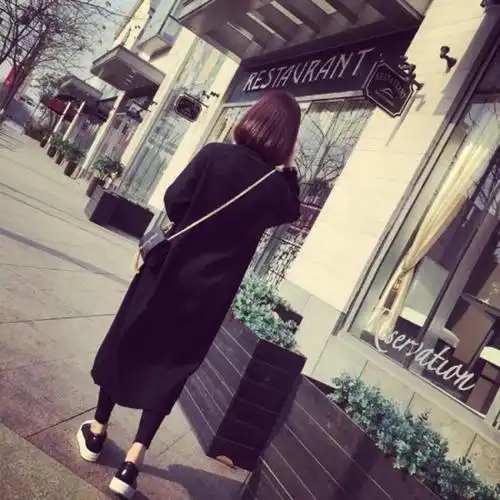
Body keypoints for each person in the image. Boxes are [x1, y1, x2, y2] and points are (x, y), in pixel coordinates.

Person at [76, 90, 302, 499]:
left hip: (165, 275)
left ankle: (97, 431)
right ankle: (131, 464)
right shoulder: (274, 189)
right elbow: (292, 210)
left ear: (252, 119)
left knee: (128, 342)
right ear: (287, 140)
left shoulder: (215, 155)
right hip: (208, 299)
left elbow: (174, 201)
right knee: (171, 368)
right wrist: (288, 168)